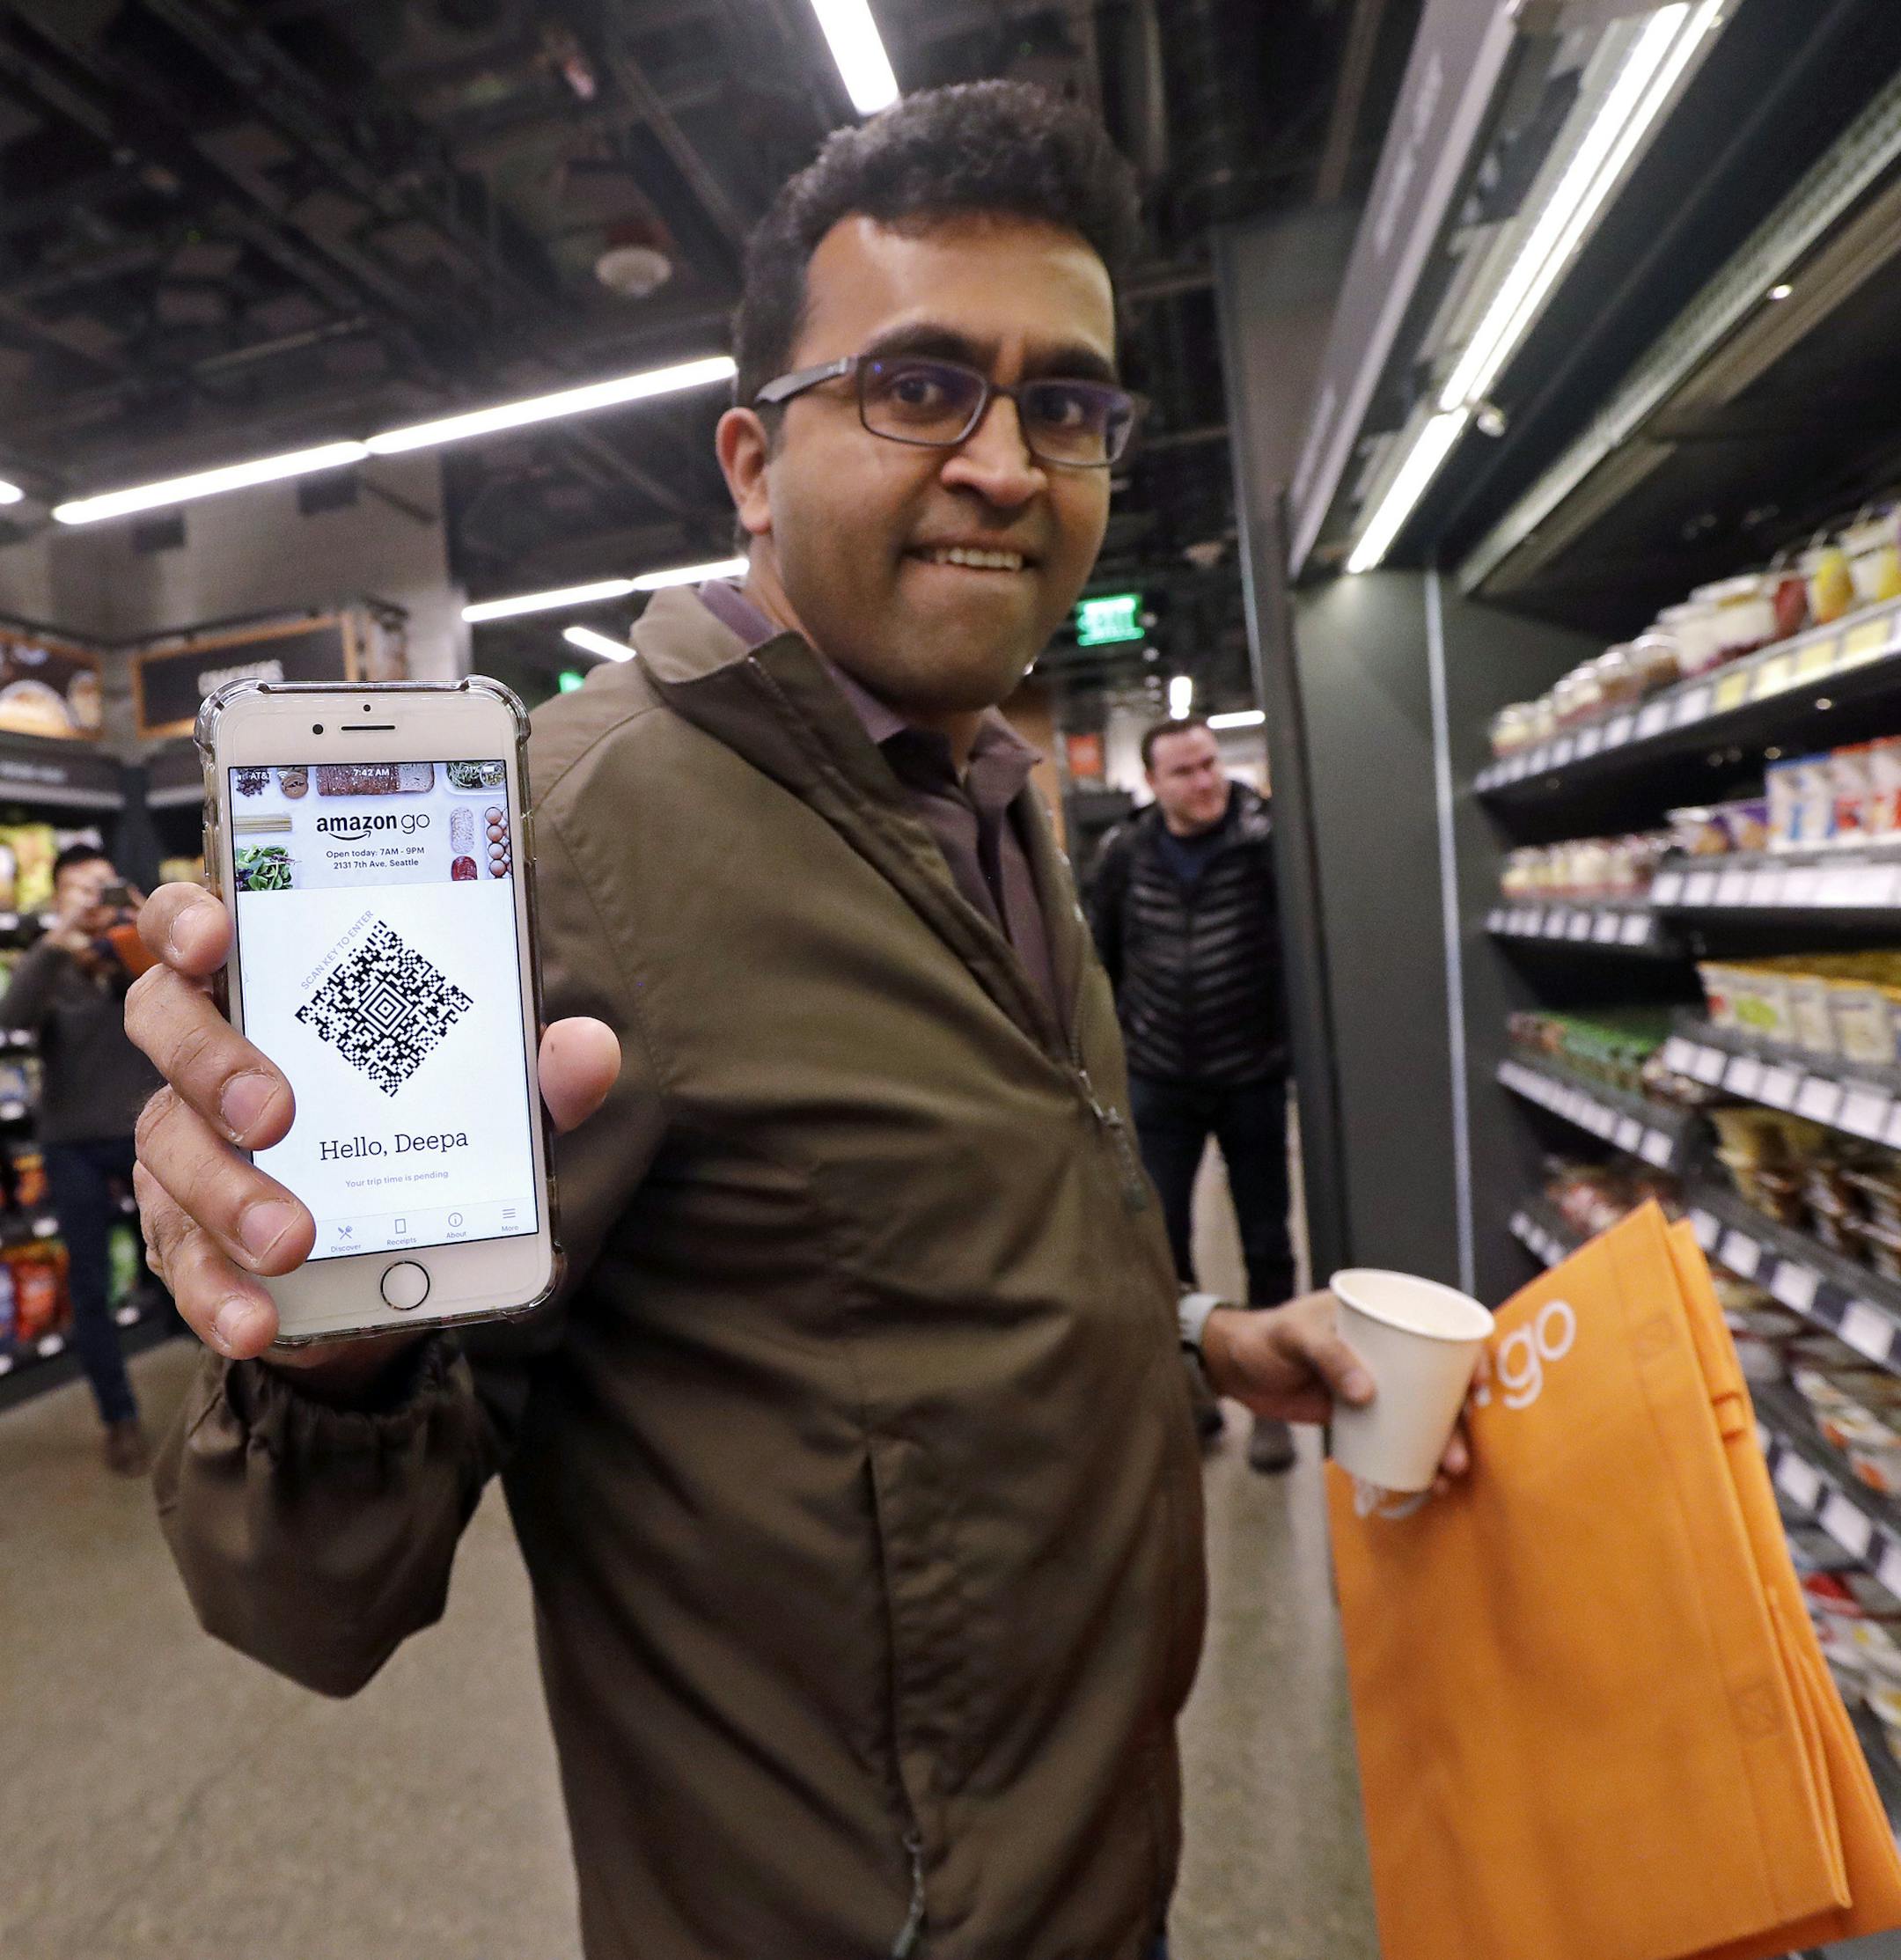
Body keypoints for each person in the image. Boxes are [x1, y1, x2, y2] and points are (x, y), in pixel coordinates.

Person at [128, 83, 1464, 1960]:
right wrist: (307, 1340)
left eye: (1064, 403)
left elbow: (891, 1286)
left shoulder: (999, 794)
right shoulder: (567, 839)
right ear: (752, 462)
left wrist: (1194, 1340)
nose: (1009, 460)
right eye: (921, 387)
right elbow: (306, 1602)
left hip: (1095, 1867)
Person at [1088, 717, 1297, 1474]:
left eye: (1209, 764)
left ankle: (1275, 1399)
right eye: (1183, 771)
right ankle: (1196, 1385)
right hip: (1159, 1077)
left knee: (1267, 1239)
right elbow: (1100, 961)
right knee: (1161, 1239)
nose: (1203, 781)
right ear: (1153, 783)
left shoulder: (1266, 838)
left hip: (1251, 1072)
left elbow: (1293, 949)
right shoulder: (1122, 856)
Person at [1, 846, 158, 1474]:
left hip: (144, 1132)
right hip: (71, 1145)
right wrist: (61, 936)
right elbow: (10, 1020)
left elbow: (188, 979)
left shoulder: (132, 956)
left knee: (187, 1257)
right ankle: (118, 1417)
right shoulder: (50, 968)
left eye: (103, 885)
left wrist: (145, 917)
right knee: (89, 1285)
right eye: (78, 891)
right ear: (57, 901)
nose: (94, 901)